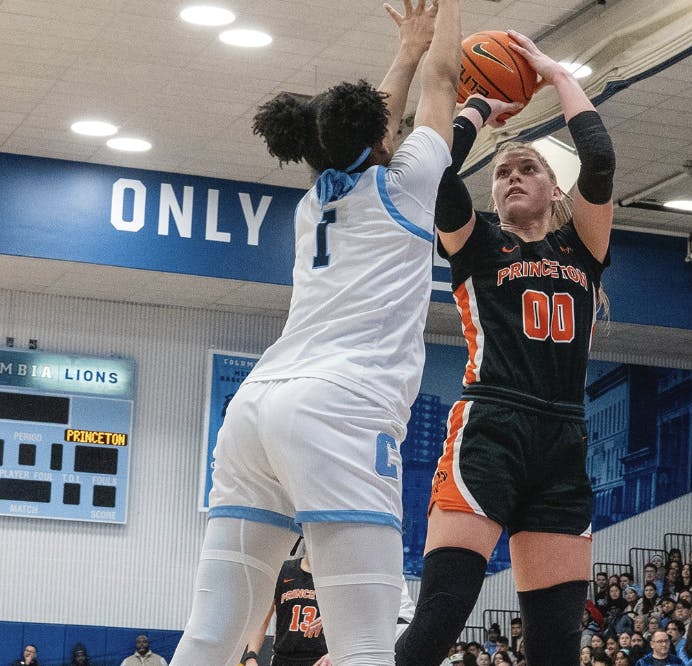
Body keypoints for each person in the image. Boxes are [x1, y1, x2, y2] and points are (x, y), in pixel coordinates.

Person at [169, 1, 459, 664]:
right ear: (380, 138)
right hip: (338, 409)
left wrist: (408, 49)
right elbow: (446, 86)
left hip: (255, 409)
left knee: (212, 632)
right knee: (364, 646)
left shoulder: (315, 201)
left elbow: (374, 121)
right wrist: (442, 20)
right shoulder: (405, 186)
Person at [395, 25, 616, 666]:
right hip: (489, 427)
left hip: (563, 442)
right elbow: (433, 169)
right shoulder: (478, 246)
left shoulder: (584, 250)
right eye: (503, 173)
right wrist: (476, 109)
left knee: (556, 649)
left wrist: (558, 75)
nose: (511, 178)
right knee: (440, 618)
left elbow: (599, 162)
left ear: (555, 190)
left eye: (528, 170)